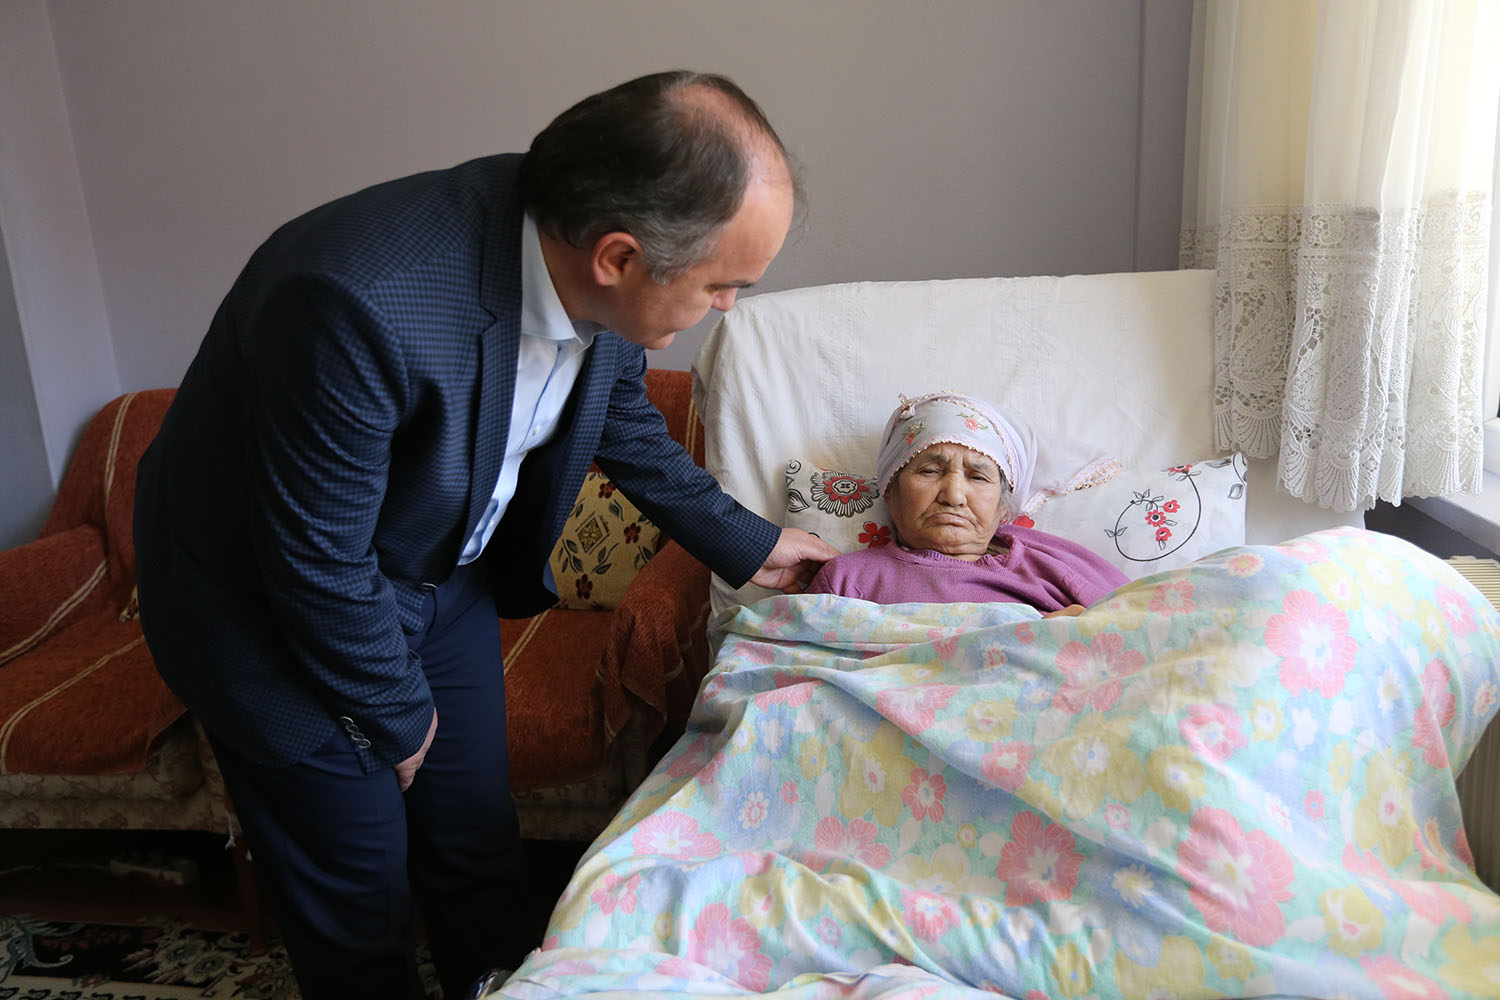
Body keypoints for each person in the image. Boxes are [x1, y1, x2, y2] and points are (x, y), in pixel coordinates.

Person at [132, 71, 837, 1000]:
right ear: (619, 257)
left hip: (432, 571)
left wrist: (752, 541)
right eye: (723, 286)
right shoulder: (355, 299)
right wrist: (393, 714)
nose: (728, 307)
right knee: (358, 895)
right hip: (267, 613)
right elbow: (314, 561)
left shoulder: (581, 240)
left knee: (475, 839)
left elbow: (615, 416)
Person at [807, 392, 1127, 615]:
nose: (954, 496)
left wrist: (1065, 636)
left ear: (1003, 507)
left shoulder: (1055, 566)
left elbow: (1140, 626)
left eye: (978, 477)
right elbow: (796, 668)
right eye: (930, 471)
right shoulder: (847, 580)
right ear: (890, 489)